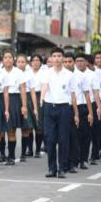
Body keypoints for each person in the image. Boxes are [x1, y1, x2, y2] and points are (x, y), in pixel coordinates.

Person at [40, 47, 79, 178]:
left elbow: (73, 95)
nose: (57, 58)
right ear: (51, 58)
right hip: (49, 107)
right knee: (50, 139)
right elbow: (44, 86)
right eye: (54, 56)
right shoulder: (47, 72)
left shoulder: (69, 75)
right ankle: (52, 169)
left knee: (63, 139)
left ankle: (62, 168)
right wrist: (42, 98)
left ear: (62, 58)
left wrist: (76, 114)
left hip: (64, 109)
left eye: (59, 56)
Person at [2, 50, 27, 165]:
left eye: (10, 57)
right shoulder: (0, 72)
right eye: (6, 57)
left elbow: (22, 89)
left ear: (13, 59)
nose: (8, 59)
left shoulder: (18, 72)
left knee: (11, 130)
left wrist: (24, 105)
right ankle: (1, 154)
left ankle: (11, 156)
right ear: (2, 59)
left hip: (14, 100)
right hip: (0, 100)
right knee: (0, 130)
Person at [72, 53, 95, 171]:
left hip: (83, 107)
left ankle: (84, 160)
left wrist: (91, 113)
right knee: (74, 136)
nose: (79, 63)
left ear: (86, 62)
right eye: (77, 61)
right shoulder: (70, 75)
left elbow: (87, 96)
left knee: (85, 135)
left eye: (82, 61)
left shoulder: (86, 76)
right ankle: (75, 161)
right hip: (71, 108)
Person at [16, 54, 38, 162]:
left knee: (26, 127)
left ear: (26, 63)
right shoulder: (13, 73)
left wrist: (35, 107)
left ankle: (24, 152)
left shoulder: (29, 75)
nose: (21, 64)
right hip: (15, 99)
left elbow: (33, 92)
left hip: (27, 99)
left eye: (23, 62)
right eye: (19, 62)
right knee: (11, 128)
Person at [29, 54, 45, 157]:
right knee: (29, 125)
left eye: (37, 60)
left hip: (40, 97)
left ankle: (38, 149)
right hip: (28, 98)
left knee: (39, 125)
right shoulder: (27, 73)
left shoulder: (44, 73)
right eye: (33, 60)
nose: (35, 62)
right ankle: (29, 149)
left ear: (40, 62)